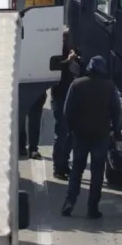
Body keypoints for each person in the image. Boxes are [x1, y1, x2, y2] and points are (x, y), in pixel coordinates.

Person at [61, 55, 121, 219]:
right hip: (100, 135)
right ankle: (92, 208)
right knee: (97, 173)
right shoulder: (109, 87)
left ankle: (69, 203)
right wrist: (116, 131)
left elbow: (67, 110)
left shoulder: (77, 85)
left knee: (76, 171)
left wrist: (71, 129)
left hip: (81, 135)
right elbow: (116, 111)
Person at [49, 28, 81, 180]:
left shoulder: (75, 50)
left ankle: (64, 164)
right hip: (59, 95)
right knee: (61, 133)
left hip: (71, 95)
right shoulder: (58, 51)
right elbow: (54, 65)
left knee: (70, 134)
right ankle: (57, 167)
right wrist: (68, 60)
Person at [18, 88, 48, 160]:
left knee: (34, 121)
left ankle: (33, 148)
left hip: (37, 93)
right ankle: (21, 147)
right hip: (21, 91)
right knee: (20, 121)